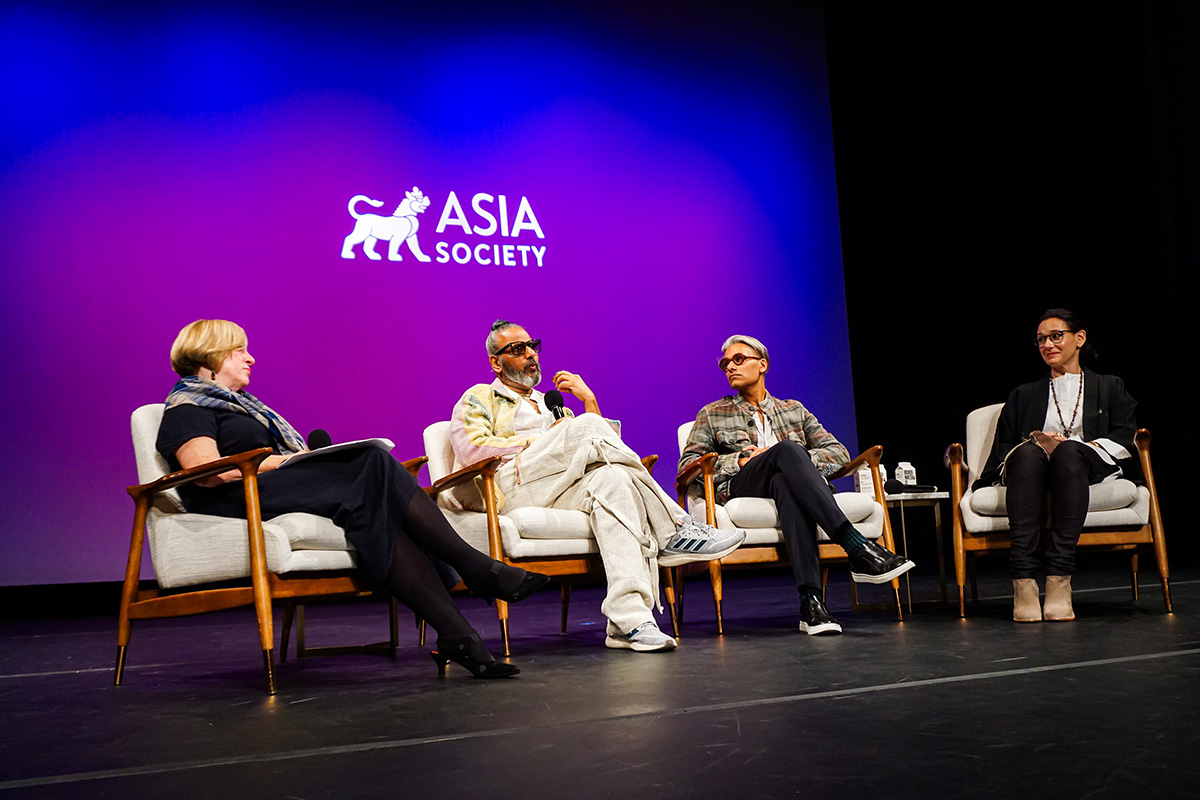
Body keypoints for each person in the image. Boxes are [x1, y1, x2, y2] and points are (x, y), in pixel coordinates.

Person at [156, 319, 548, 678]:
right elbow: (204, 469)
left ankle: (460, 636)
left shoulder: (244, 407)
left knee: (373, 504)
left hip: (262, 487)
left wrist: (296, 461)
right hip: (233, 496)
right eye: (239, 350)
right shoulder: (188, 403)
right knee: (372, 461)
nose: (250, 357)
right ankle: (476, 569)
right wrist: (287, 461)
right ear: (211, 355)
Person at [447, 320, 745, 653]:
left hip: (556, 488)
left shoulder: (550, 402)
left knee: (614, 477)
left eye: (533, 345)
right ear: (496, 362)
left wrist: (588, 399)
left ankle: (629, 622)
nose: (531, 354)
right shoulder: (480, 396)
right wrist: (542, 440)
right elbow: (471, 450)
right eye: (518, 349)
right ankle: (675, 527)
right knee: (587, 426)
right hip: (507, 485)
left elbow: (606, 450)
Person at [678, 335, 914, 636]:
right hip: (745, 483)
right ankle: (857, 548)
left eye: (738, 359)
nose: (729, 367)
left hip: (784, 486)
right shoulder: (712, 413)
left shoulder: (794, 410)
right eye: (725, 363)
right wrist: (739, 461)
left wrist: (797, 458)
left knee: (785, 476)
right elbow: (688, 465)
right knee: (786, 450)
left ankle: (811, 604)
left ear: (762, 364)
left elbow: (838, 453)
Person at [973, 308, 1139, 622]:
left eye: (1055, 336)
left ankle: (1059, 580)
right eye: (1041, 340)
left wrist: (1082, 446)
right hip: (1031, 466)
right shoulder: (1023, 394)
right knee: (1026, 453)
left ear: (1079, 339)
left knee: (1069, 453)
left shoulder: (1109, 386)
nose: (1048, 344)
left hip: (1086, 463)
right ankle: (1023, 582)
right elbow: (1004, 447)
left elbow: (1125, 434)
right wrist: (1038, 442)